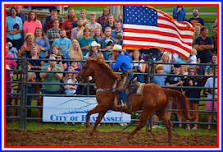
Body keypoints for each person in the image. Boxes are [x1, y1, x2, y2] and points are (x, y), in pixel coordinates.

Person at [6, 44, 17, 116]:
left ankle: (6, 114)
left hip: (7, 79)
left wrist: (10, 69)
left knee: (8, 93)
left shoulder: (10, 57)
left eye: (6, 49)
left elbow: (15, 66)